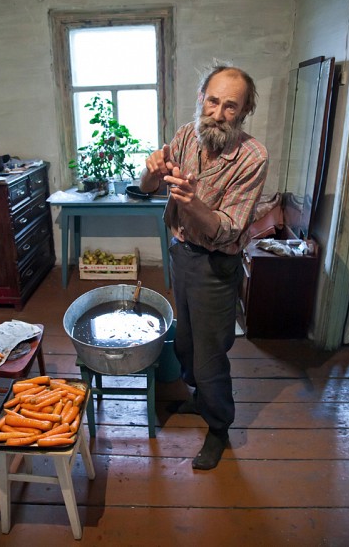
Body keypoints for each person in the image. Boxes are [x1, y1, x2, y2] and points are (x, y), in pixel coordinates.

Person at [139, 62, 268, 470]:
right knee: (186, 344)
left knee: (211, 355)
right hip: (182, 254)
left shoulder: (252, 157)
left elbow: (227, 229)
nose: (218, 113)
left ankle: (219, 427)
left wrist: (193, 203)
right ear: (201, 98)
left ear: (244, 111)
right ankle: (199, 397)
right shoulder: (185, 136)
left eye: (231, 106)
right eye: (213, 101)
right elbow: (147, 188)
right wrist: (150, 170)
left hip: (216, 265)